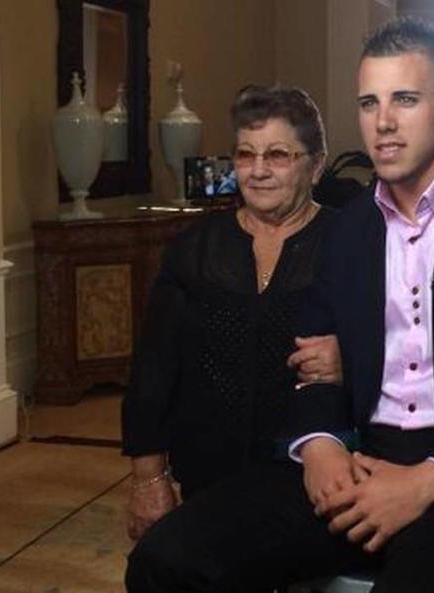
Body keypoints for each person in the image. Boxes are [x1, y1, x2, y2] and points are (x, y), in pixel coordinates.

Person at [125, 16, 434, 593]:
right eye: (368, 102)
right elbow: (313, 366)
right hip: (360, 458)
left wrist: (431, 478)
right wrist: (321, 448)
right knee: (166, 559)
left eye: (405, 99)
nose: (383, 122)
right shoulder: (350, 227)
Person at [121, 84, 338, 541]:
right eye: (245, 154)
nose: (258, 171)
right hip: (206, 476)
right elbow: (153, 372)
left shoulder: (351, 243)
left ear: (315, 165)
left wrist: (349, 355)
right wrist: (148, 479)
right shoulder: (194, 248)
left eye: (278, 155)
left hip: (309, 480)